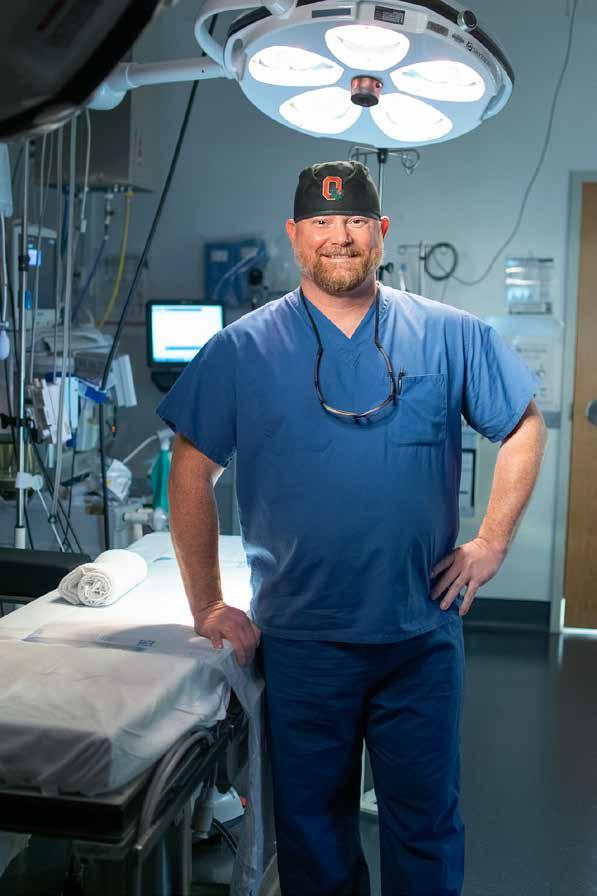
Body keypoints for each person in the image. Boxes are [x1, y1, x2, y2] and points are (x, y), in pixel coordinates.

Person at [157, 160, 547, 896]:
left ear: (381, 231)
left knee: (425, 825)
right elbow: (189, 467)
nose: (339, 236)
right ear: (294, 235)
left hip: (418, 636)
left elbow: (523, 425)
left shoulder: (448, 334)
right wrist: (205, 602)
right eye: (322, 222)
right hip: (303, 641)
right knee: (313, 833)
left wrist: (491, 540)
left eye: (356, 222)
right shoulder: (243, 349)